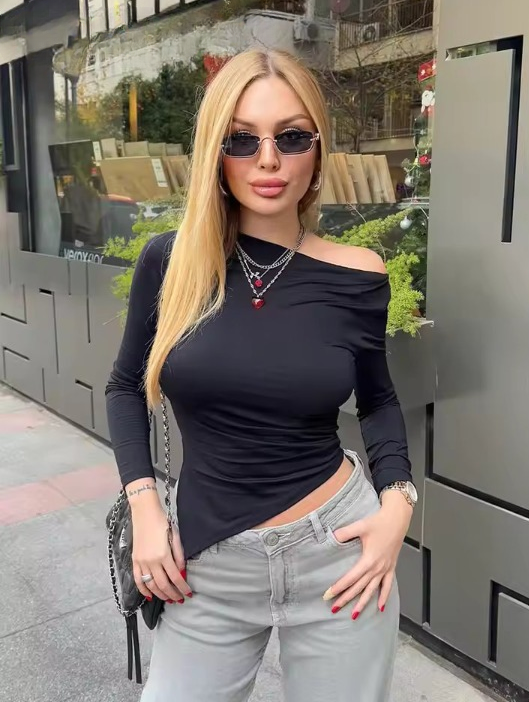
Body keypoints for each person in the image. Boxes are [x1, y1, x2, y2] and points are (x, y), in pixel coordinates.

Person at [105, 48, 417, 702]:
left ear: (317, 151)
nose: (267, 160)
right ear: (215, 155)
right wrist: (145, 509)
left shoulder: (358, 275)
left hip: (340, 554)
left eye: (291, 137)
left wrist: (397, 505)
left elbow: (379, 402)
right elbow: (125, 387)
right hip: (206, 563)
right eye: (241, 139)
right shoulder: (172, 264)